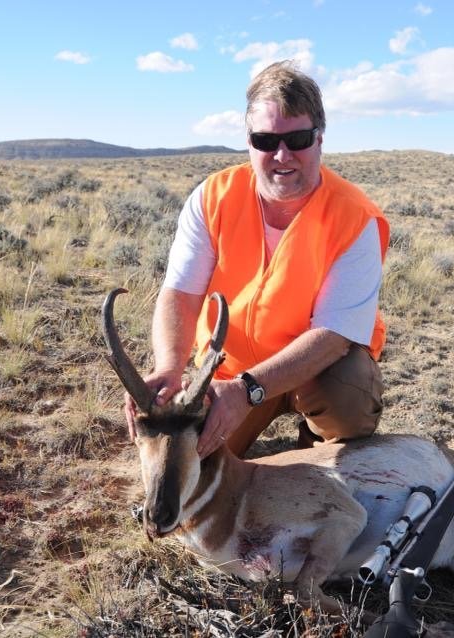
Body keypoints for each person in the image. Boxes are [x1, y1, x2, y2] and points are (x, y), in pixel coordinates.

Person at [123, 60, 389, 459]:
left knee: (347, 390)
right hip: (228, 373)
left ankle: (316, 464)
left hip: (316, 369)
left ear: (319, 138)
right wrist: (170, 369)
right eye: (265, 141)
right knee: (192, 467)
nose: (282, 155)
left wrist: (248, 390)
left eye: (297, 138)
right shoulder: (214, 197)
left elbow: (333, 337)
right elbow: (180, 293)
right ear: (248, 142)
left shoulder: (355, 217)